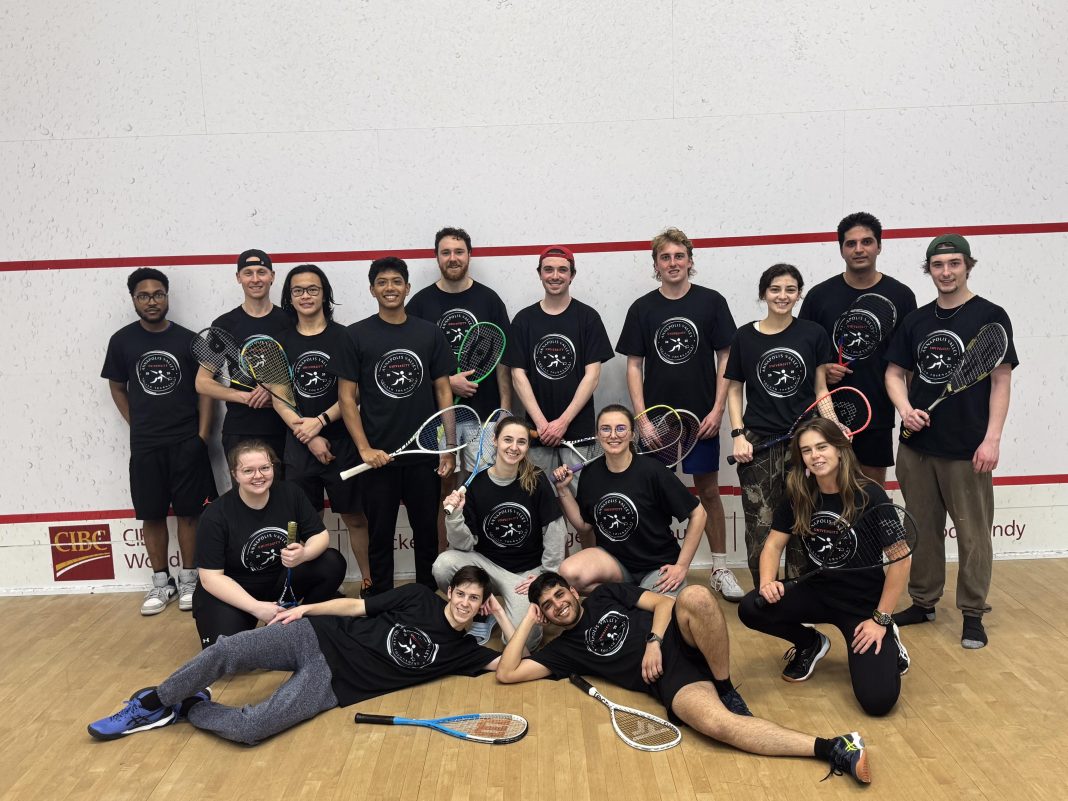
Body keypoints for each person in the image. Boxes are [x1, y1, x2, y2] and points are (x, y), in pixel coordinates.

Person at [495, 573, 873, 785]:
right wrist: (528, 618)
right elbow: (508, 672)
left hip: (679, 635)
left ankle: (725, 687)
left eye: (560, 595)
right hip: (672, 679)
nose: (558, 605)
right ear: (544, 614)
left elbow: (664, 602)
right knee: (718, 725)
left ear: (573, 591)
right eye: (547, 606)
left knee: (696, 595)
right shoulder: (563, 650)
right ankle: (835, 747)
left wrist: (654, 642)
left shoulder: (605, 594)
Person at [87, 566, 511, 745]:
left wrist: (505, 617)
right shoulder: (418, 596)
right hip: (317, 635)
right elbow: (355, 606)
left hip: (334, 685)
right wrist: (309, 609)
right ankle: (153, 702)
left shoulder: (465, 653)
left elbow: (515, 664)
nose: (465, 603)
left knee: (253, 728)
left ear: (482, 606)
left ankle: (190, 705)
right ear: (450, 592)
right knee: (228, 649)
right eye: (461, 594)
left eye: (475, 599)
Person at [885, 233, 1018, 649]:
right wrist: (905, 408)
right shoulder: (916, 321)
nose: (946, 272)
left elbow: (1001, 381)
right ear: (929, 270)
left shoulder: (990, 316)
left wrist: (992, 439)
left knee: (973, 533)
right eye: (938, 265)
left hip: (967, 448)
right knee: (921, 529)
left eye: (954, 264)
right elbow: (893, 374)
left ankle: (973, 612)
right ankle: (923, 602)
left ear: (967, 267)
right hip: (916, 447)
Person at [738, 418, 910, 715]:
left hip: (863, 605)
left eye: (822, 447)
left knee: (878, 701)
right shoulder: (799, 494)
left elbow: (902, 559)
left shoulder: (871, 495)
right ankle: (811, 643)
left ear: (840, 449)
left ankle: (889, 634)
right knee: (751, 606)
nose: (815, 456)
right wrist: (767, 582)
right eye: (806, 450)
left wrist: (880, 618)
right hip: (817, 592)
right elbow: (773, 546)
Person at [616, 227, 742, 600]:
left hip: (702, 420)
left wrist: (718, 409)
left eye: (679, 256)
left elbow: (726, 356)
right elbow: (633, 366)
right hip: (658, 424)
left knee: (708, 491)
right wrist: (642, 419)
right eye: (665, 257)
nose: (673, 263)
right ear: (656, 264)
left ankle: (720, 568)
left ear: (690, 261)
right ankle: (657, 566)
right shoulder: (642, 308)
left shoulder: (712, 302)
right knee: (655, 495)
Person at [333, 256, 455, 595]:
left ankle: (426, 599)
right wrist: (364, 449)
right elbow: (346, 398)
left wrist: (448, 447)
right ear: (372, 290)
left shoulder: (429, 333)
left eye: (397, 281)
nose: (390, 288)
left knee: (427, 534)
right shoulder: (355, 335)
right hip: (377, 460)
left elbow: (444, 392)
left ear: (407, 287)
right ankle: (382, 603)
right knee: (380, 536)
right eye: (382, 282)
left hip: (423, 456)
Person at [101, 268, 218, 615]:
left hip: (187, 441)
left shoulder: (190, 340)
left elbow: (206, 390)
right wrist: (136, 424)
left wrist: (202, 436)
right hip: (146, 446)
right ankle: (160, 583)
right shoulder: (121, 341)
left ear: (167, 297)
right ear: (133, 299)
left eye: (158, 294)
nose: (151, 301)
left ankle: (189, 580)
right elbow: (117, 387)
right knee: (151, 515)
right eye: (144, 296)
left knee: (190, 514)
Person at [725, 263, 835, 584]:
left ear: (799, 294)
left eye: (790, 289)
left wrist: (834, 426)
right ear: (763, 293)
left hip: (804, 444)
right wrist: (738, 434)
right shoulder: (744, 336)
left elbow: (821, 390)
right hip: (758, 443)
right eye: (775, 289)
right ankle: (765, 592)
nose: (782, 296)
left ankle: (799, 593)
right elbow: (734, 389)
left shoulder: (813, 334)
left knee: (803, 522)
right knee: (760, 523)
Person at [407, 227, 513, 546]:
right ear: (436, 257)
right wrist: (446, 382)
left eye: (459, 252)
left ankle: (487, 558)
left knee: (486, 486)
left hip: (485, 417)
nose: (452, 258)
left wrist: (504, 412)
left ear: (469, 255)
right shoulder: (420, 303)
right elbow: (412, 365)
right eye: (446, 252)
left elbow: (502, 361)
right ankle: (446, 560)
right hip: (439, 420)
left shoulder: (489, 300)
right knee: (445, 491)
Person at [272, 264, 372, 595]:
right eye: (298, 290)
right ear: (289, 297)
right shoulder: (280, 341)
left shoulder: (345, 337)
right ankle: (312, 586)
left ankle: (369, 582)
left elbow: (354, 392)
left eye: (313, 289)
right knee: (305, 522)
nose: (306, 296)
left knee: (355, 517)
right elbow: (279, 398)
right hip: (299, 446)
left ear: (324, 294)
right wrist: (310, 435)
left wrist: (321, 422)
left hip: (343, 443)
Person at [192, 440, 346, 648]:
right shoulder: (215, 514)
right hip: (234, 592)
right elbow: (210, 578)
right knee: (230, 653)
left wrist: (304, 553)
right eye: (248, 470)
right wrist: (257, 608)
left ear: (273, 467)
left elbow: (320, 536)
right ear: (235, 474)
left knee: (331, 562)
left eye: (265, 468)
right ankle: (261, 624)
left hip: (278, 583)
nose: (258, 476)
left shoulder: (291, 493)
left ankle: (299, 623)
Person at [799, 212, 917, 486]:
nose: (859, 249)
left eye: (867, 242)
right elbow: (803, 354)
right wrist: (823, 370)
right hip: (825, 413)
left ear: (879, 246)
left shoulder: (901, 296)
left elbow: (910, 361)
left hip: (877, 413)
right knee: (827, 489)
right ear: (841, 249)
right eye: (851, 243)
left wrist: (912, 407)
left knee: (871, 490)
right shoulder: (819, 296)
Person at [435, 416, 566, 648]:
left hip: (526, 575)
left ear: (527, 446)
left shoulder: (536, 479)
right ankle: (483, 610)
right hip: (488, 569)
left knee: (523, 644)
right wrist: (454, 516)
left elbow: (555, 531)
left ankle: (504, 611)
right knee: (443, 566)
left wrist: (545, 574)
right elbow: (464, 546)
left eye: (521, 442)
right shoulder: (476, 484)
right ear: (495, 441)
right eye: (507, 440)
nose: (514, 447)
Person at [553, 405, 705, 597]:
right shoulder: (590, 474)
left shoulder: (653, 471)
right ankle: (632, 593)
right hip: (615, 564)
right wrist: (562, 489)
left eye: (621, 428)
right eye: (605, 429)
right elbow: (584, 526)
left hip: (657, 565)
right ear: (598, 435)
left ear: (632, 434)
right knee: (568, 574)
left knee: (655, 610)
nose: (613, 435)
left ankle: (630, 595)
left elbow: (699, 513)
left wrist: (682, 566)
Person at [506, 245, 614, 484]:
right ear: (539, 274)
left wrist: (563, 422)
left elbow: (592, 376)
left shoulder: (588, 318)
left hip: (578, 432)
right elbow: (517, 376)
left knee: (580, 498)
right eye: (548, 270)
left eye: (562, 270)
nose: (555, 276)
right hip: (537, 434)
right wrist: (542, 425)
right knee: (538, 496)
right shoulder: (524, 320)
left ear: (572, 275)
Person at [195, 248, 290, 477]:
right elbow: (202, 382)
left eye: (261, 272)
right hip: (240, 430)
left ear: (272, 276)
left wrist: (275, 390)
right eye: (248, 273)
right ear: (238, 278)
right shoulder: (224, 324)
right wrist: (244, 397)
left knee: (286, 496)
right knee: (246, 497)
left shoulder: (290, 320)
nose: (255, 279)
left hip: (286, 429)